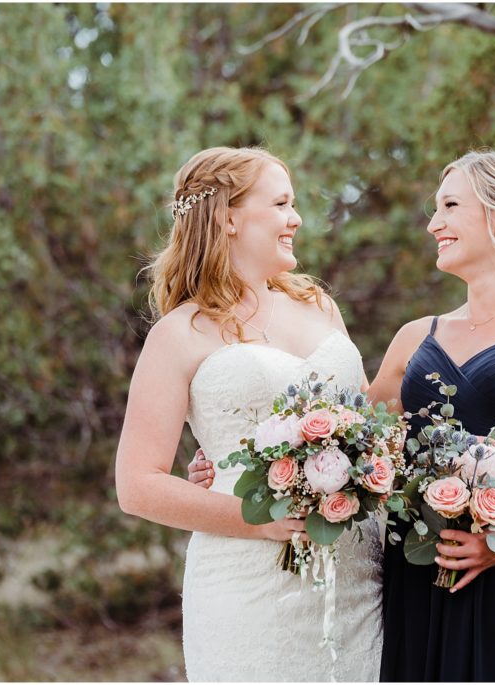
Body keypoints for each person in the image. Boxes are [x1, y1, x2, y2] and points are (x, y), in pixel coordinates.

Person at [190, 148, 495, 682]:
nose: (432, 223)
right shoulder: (415, 338)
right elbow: (347, 444)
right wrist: (235, 465)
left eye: (448, 206)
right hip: (415, 581)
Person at [115, 147, 383, 682]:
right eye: (281, 203)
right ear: (227, 217)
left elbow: (369, 427)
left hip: (359, 576)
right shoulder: (180, 333)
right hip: (249, 586)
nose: (297, 218)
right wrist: (257, 521)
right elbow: (137, 485)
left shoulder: (320, 308)